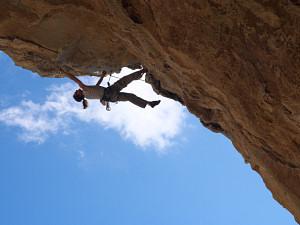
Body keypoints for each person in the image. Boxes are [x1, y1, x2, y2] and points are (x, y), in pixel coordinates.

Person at [58, 68, 161, 109]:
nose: (77, 90)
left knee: (130, 97)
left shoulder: (88, 95)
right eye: (76, 92)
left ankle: (148, 103)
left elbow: (97, 86)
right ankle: (143, 71)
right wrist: (63, 72)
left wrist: (102, 76)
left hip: (112, 98)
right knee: (125, 80)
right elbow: (74, 79)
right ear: (79, 95)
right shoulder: (84, 89)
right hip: (111, 91)